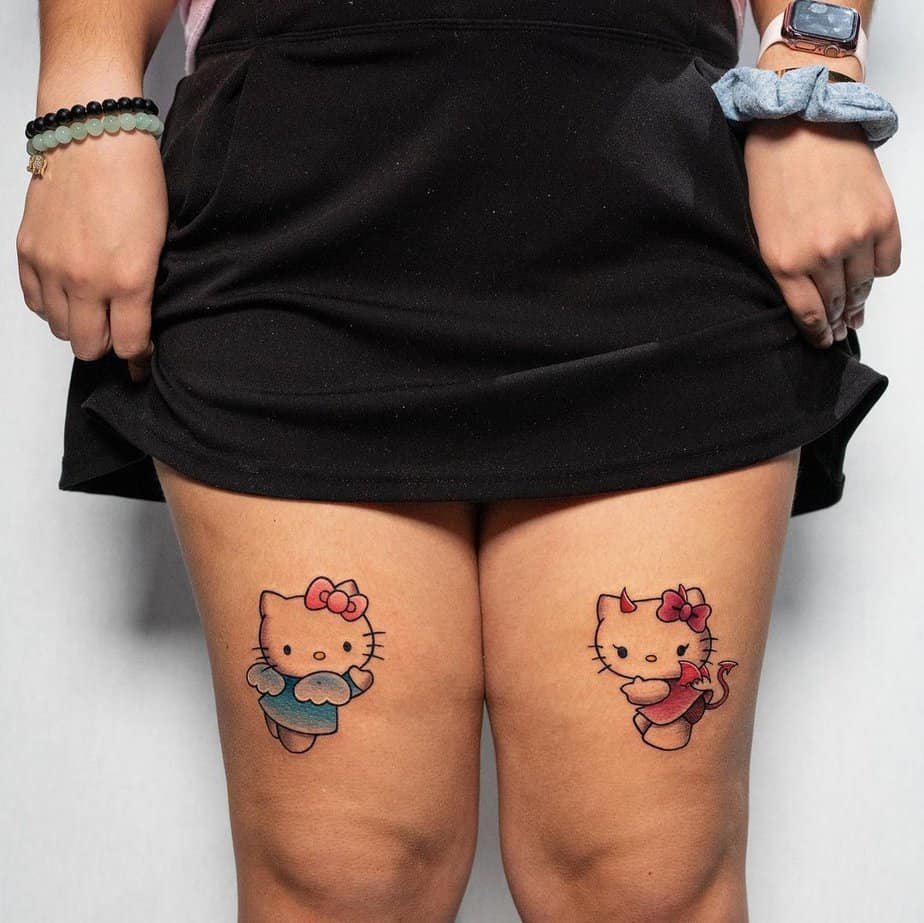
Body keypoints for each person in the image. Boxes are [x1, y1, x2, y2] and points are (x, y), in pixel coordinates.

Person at [16, 0, 900, 918]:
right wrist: (87, 96)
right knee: (342, 878)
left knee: (645, 880)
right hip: (288, 200)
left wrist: (816, 74)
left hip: (656, 188)